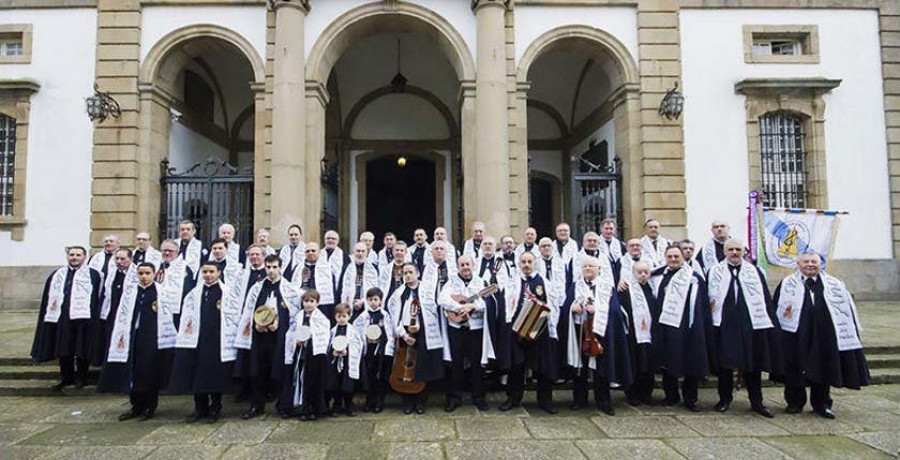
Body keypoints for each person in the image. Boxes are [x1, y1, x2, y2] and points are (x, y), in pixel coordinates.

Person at [774, 252, 870, 419]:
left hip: (824, 335)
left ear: (820, 264)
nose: (810, 264)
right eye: (806, 261)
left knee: (824, 368)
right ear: (798, 264)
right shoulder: (786, 284)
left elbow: (847, 311)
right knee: (794, 368)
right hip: (795, 335)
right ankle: (795, 403)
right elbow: (776, 309)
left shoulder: (834, 285)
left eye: (814, 261)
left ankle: (822, 404)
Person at [707, 239, 780, 418]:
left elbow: (764, 298)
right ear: (724, 252)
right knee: (725, 364)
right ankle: (724, 399)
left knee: (753, 363)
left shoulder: (754, 272)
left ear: (743, 252)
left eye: (737, 249)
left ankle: (756, 401)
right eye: (730, 249)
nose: (734, 252)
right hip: (724, 322)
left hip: (751, 323)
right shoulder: (714, 271)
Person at [98, 262, 176, 421]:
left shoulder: (161, 292)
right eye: (141, 273)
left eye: (147, 273)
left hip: (152, 337)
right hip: (131, 335)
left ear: (154, 274)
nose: (144, 276)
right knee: (133, 370)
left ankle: (150, 406)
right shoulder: (130, 292)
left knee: (149, 371)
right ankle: (136, 405)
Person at [233, 255, 303, 419]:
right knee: (258, 370)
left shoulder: (290, 289)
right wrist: (255, 324)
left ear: (280, 267)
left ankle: (283, 405)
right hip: (260, 335)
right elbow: (249, 310)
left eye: (274, 267)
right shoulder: (257, 288)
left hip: (280, 336)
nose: (271, 271)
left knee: (281, 368)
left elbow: (294, 312)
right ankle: (257, 405)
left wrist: (280, 323)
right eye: (268, 267)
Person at [169, 261, 240, 423]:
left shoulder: (227, 293)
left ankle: (216, 407)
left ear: (219, 273)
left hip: (217, 341)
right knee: (197, 375)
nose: (208, 275)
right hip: (197, 341)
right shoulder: (194, 294)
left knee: (215, 375)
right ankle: (199, 407)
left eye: (211, 272)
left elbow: (234, 317)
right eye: (205, 272)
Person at [31, 246, 102, 390]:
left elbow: (98, 297)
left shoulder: (93, 275)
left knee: (82, 348)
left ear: (84, 257)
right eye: (71, 255)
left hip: (84, 318)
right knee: (64, 348)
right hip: (62, 317)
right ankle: (66, 377)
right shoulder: (58, 274)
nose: (74, 257)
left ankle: (81, 377)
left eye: (78, 255)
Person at [569, 256, 631, 415]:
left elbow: (616, 311)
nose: (588, 268)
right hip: (580, 330)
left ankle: (603, 400)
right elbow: (566, 306)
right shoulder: (576, 286)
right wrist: (573, 307)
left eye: (591, 266)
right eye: (585, 266)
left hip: (601, 332)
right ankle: (579, 399)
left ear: (599, 269)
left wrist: (597, 311)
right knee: (580, 367)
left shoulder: (607, 287)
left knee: (601, 367)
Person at [651, 245, 709, 412]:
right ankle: (671, 396)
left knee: (691, 362)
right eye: (670, 257)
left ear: (683, 257)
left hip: (689, 326)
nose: (673, 259)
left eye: (676, 256)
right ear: (665, 258)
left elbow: (701, 305)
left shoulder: (694, 278)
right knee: (668, 361)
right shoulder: (658, 276)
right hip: (667, 326)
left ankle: (691, 399)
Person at [500, 252, 558, 414]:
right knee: (516, 366)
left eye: (529, 261)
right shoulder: (513, 282)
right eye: (523, 261)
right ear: (519, 264)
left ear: (535, 263)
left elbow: (553, 305)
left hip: (539, 330)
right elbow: (507, 305)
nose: (526, 264)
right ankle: (513, 398)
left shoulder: (544, 282)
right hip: (517, 330)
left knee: (542, 367)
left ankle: (545, 401)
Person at [387, 263, 444, 414]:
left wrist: (421, 327)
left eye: (410, 272)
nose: (407, 275)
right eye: (405, 273)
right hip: (405, 333)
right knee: (403, 367)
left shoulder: (427, 290)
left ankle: (420, 401)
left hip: (423, 332)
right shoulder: (398, 293)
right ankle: (407, 401)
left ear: (417, 274)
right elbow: (394, 316)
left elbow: (434, 312)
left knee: (422, 366)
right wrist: (403, 334)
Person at [439, 255, 492, 412]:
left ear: (473, 265)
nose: (465, 267)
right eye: (462, 264)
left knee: (477, 364)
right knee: (455, 364)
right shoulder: (451, 282)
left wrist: (473, 306)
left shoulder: (482, 282)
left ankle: (478, 397)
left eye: (467, 264)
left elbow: (488, 302)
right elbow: (442, 299)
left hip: (476, 329)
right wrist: (460, 308)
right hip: (457, 329)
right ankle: (454, 398)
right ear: (458, 267)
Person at [618, 261, 658, 406]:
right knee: (634, 364)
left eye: (645, 272)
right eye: (639, 272)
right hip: (632, 333)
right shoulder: (626, 288)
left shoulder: (652, 287)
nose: (642, 275)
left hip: (649, 333)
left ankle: (646, 394)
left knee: (648, 365)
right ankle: (632, 394)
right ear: (633, 273)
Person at [288, 289, 331, 421]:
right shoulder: (299, 316)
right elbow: (292, 331)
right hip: (302, 353)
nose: (308, 304)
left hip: (315, 355)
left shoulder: (321, 318)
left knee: (314, 381)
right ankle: (304, 408)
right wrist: (297, 340)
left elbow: (324, 334)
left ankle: (315, 408)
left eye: (312, 301)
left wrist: (311, 339)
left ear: (317, 303)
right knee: (302, 380)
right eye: (306, 301)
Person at [353, 287, 394, 413]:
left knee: (380, 377)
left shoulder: (384, 315)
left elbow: (389, 332)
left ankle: (379, 401)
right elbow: (356, 331)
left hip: (381, 351)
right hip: (369, 351)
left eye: (375, 299)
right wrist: (365, 338)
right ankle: (369, 401)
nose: (373, 302)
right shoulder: (363, 316)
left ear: (381, 301)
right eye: (370, 299)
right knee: (369, 377)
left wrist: (386, 345)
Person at [325, 303, 364, 416]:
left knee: (348, 384)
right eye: (339, 316)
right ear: (335, 317)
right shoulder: (332, 331)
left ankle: (349, 404)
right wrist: (332, 352)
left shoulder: (353, 331)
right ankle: (337, 405)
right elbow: (327, 345)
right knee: (336, 383)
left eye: (344, 316)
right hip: (335, 361)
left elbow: (358, 345)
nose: (341, 319)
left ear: (349, 316)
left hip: (348, 362)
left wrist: (348, 351)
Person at [98, 248, 136, 364]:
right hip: (112, 311)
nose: (119, 261)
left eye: (123, 258)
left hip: (128, 313)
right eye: (117, 259)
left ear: (130, 259)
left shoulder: (136, 273)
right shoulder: (112, 273)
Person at [292, 242, 336, 319]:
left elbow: (333, 290)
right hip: (302, 305)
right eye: (308, 251)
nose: (310, 253)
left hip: (322, 305)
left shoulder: (327, 268)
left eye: (313, 250)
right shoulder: (298, 268)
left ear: (319, 252)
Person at [341, 242, 380, 324]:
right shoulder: (347, 267)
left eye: (363, 251)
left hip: (366, 303)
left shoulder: (373, 268)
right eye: (358, 251)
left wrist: (362, 301)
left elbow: (374, 288)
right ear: (353, 252)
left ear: (366, 252)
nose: (360, 253)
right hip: (351, 304)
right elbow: (345, 287)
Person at [88, 235, 120, 302]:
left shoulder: (121, 257)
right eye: (106, 241)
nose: (108, 243)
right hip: (96, 286)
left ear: (118, 244)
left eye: (111, 241)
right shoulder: (95, 257)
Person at [323, 230, 350, 299]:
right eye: (328, 238)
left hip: (338, 292)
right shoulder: (319, 254)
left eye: (333, 239)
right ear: (324, 240)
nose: (330, 240)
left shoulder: (344, 256)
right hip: (323, 292)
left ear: (338, 241)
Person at [177, 221, 203, 286]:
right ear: (179, 232)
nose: (185, 231)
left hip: (193, 280)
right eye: (182, 229)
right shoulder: (173, 245)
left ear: (194, 231)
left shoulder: (201, 246)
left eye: (188, 229)